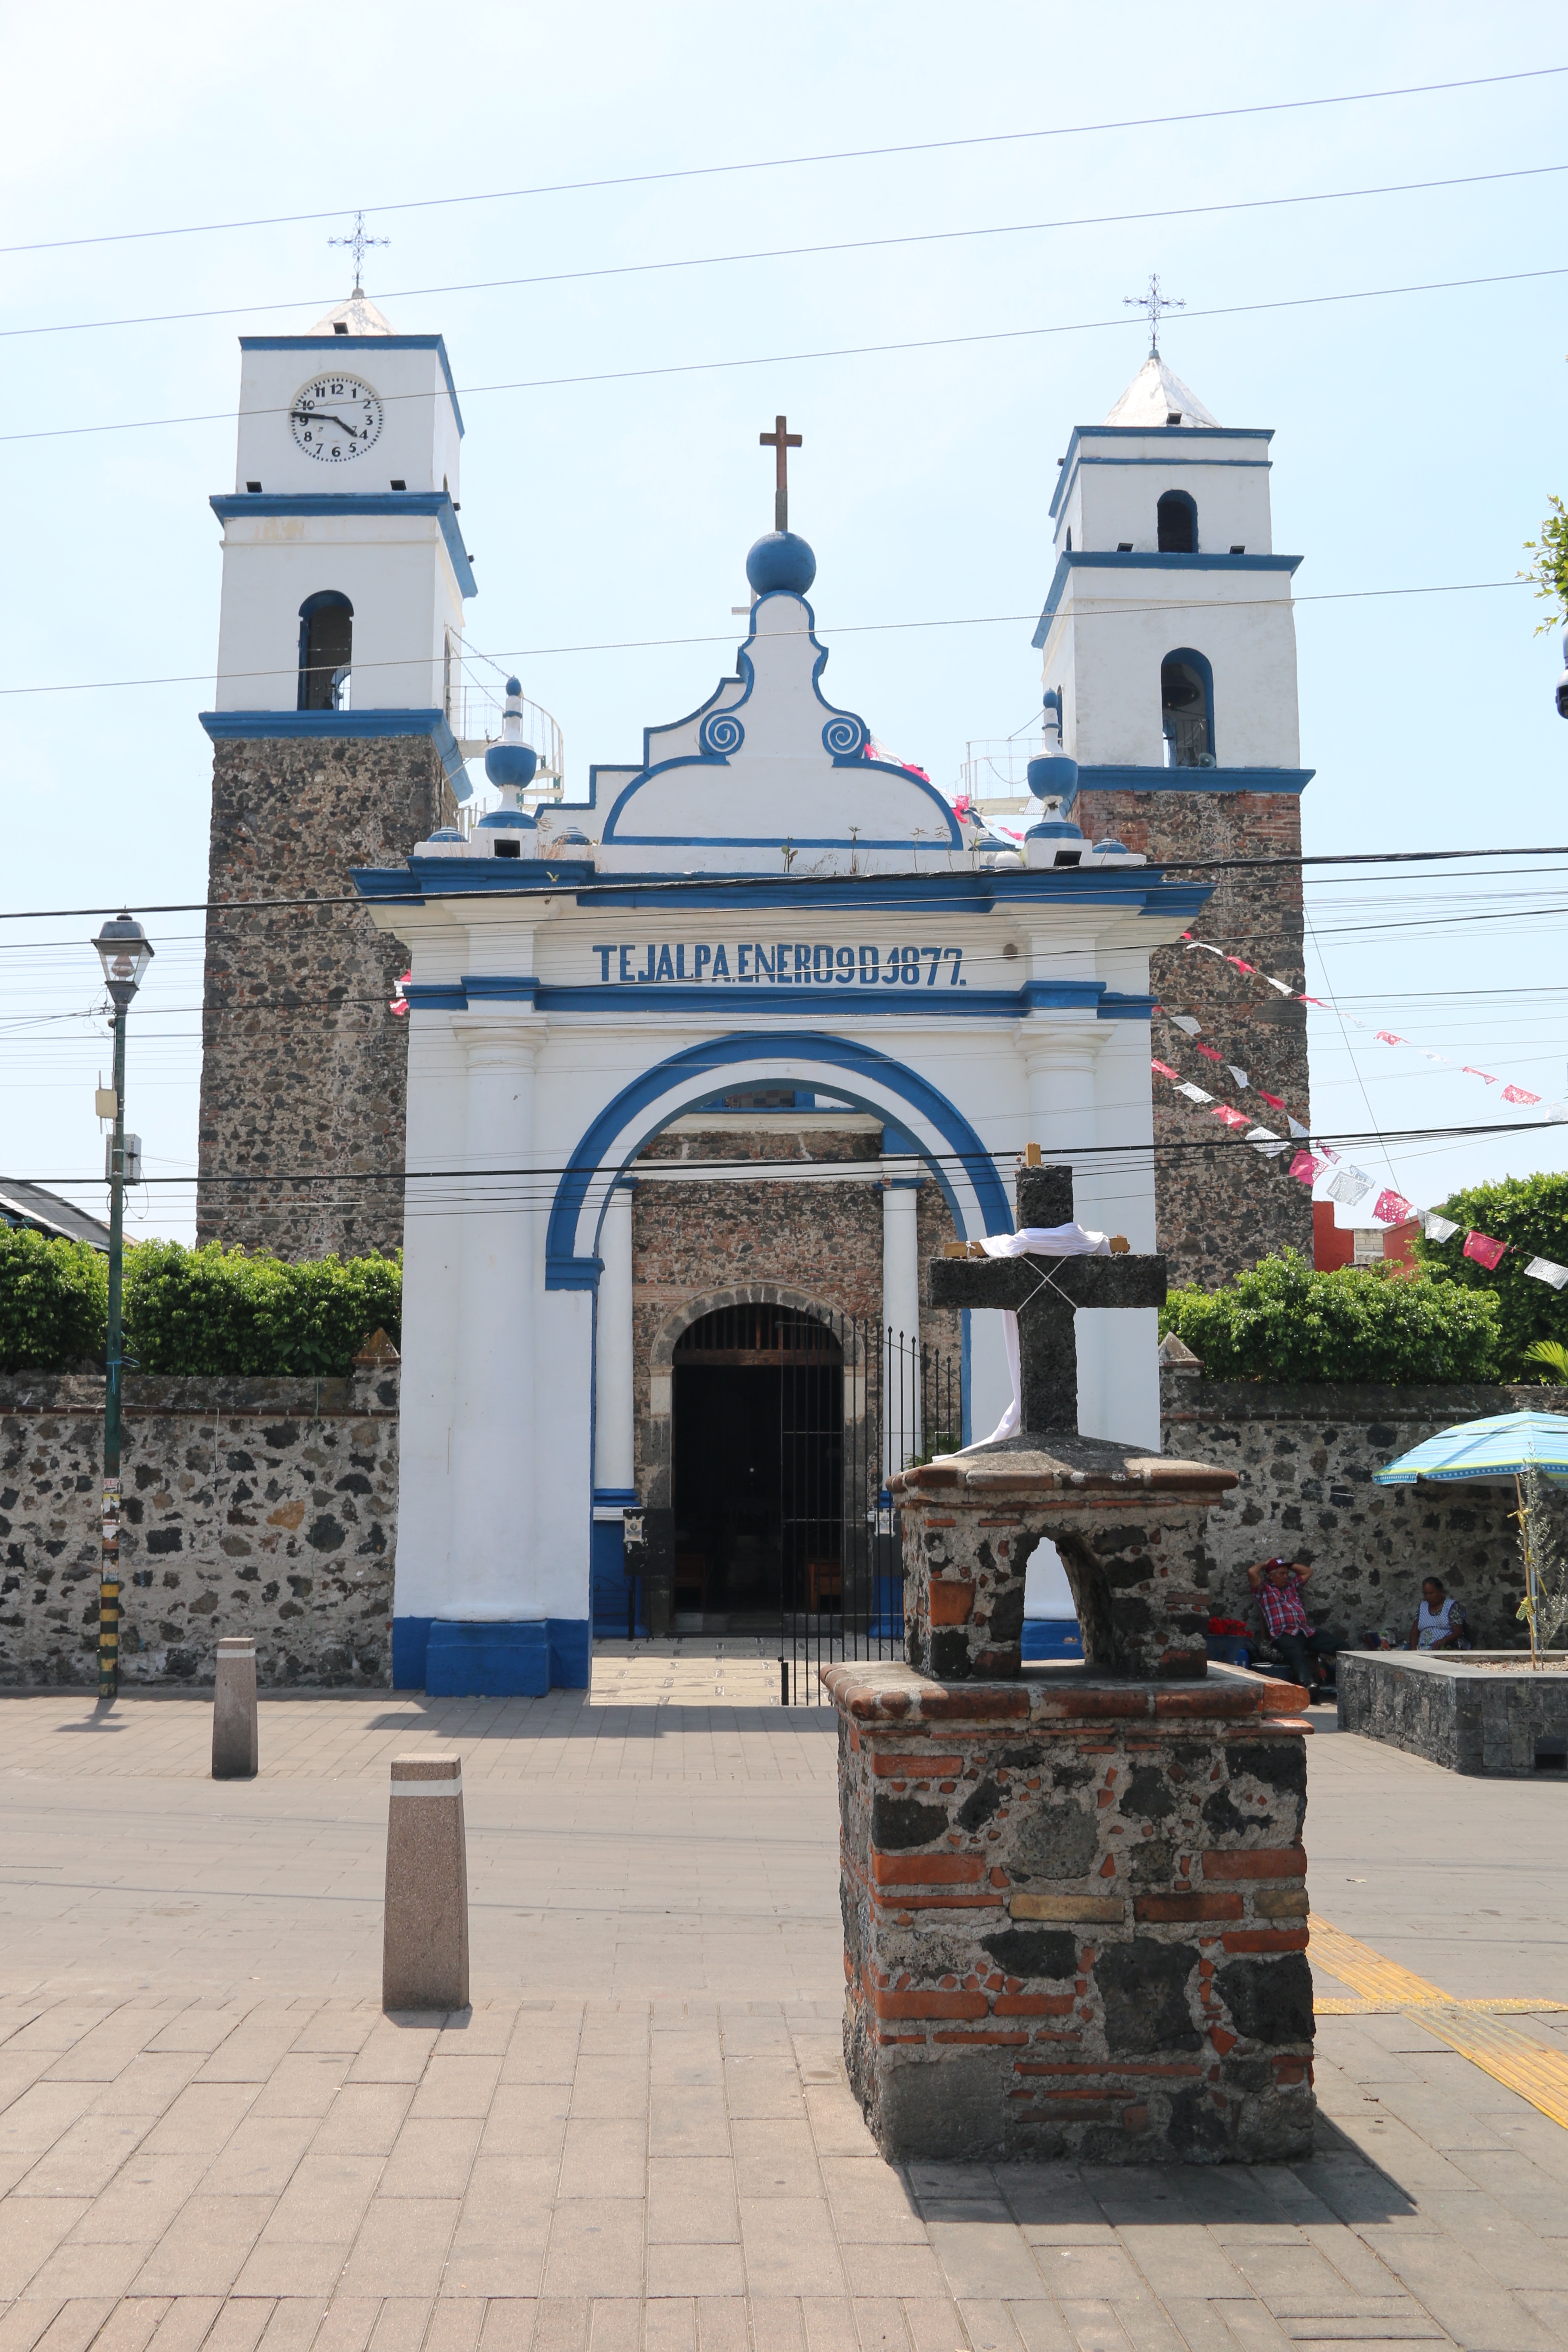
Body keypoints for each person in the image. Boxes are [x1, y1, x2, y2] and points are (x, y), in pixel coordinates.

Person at [1246, 1554, 1338, 1697]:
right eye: (1282, 1574)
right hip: (1283, 1635)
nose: (1286, 1577)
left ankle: (1349, 1679)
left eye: (1287, 1573)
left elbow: (1308, 1571)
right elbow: (1252, 1572)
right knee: (1296, 1653)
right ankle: (1309, 1686)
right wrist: (1266, 1564)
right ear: (1271, 1576)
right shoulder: (1263, 1590)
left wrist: (1288, 1565)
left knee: (1338, 1645)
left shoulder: (1292, 1586)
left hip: (1305, 1632)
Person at [1408, 1576, 1469, 1651]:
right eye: (1425, 1594)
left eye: (1431, 1593)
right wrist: (1413, 1650)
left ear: (1440, 1592)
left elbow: (1458, 1632)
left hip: (1446, 1648)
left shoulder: (1451, 1606)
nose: (1428, 1597)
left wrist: (1444, 1641)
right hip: (1423, 1649)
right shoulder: (1423, 1606)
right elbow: (1415, 1631)